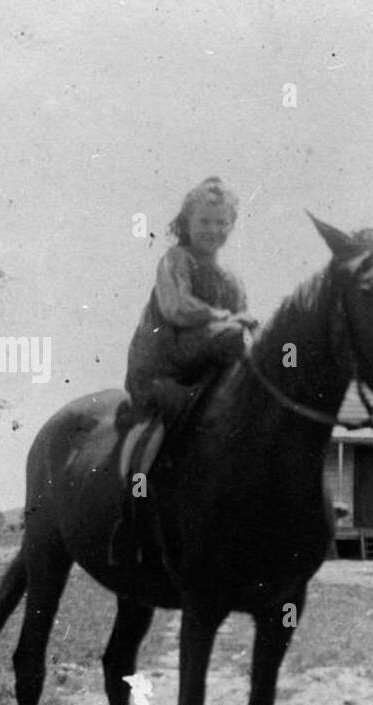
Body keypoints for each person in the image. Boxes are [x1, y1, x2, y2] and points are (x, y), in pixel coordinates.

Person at [111, 176, 256, 566]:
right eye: (205, 222)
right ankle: (133, 517)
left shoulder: (231, 280)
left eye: (222, 222)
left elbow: (238, 329)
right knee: (170, 423)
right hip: (163, 372)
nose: (213, 230)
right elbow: (176, 308)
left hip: (206, 373)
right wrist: (224, 318)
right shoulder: (175, 262)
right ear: (187, 223)